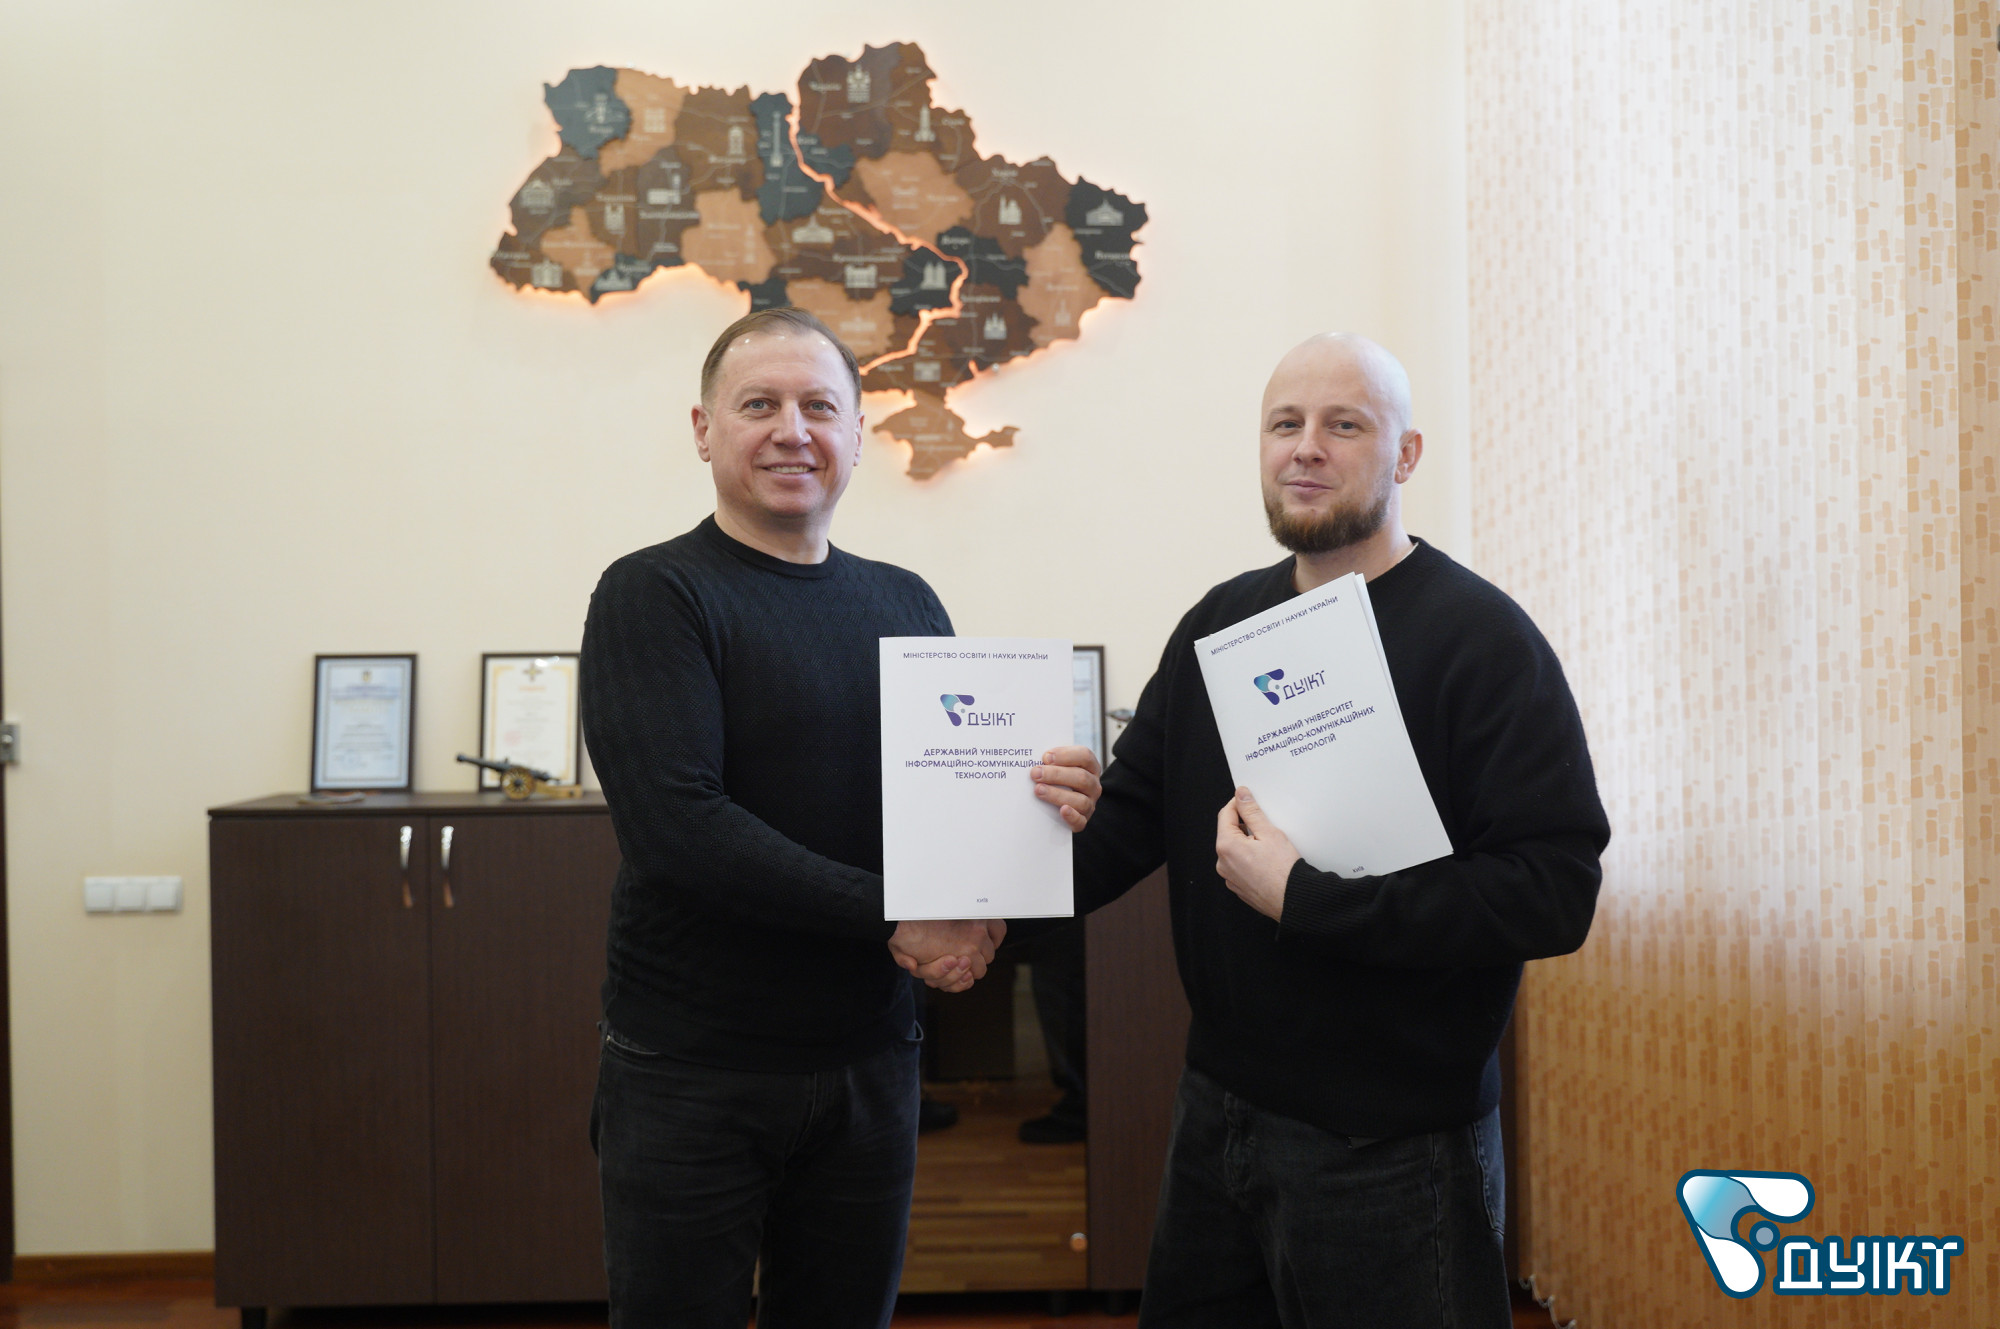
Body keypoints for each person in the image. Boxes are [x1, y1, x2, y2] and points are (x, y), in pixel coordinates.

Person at [1069, 333, 1610, 1327]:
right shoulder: (1217, 626)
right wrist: (980, 885)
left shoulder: (1483, 641)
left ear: (1405, 455)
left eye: (1344, 424)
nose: (1306, 447)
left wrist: (1304, 900)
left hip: (1395, 1144)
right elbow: (1123, 827)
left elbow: (1551, 891)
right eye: (1285, 423)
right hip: (1216, 1116)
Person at [579, 307, 1101, 1329]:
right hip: (694, 1071)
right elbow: (679, 829)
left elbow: (943, 812)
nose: (792, 430)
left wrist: (1043, 802)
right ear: (703, 429)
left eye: (819, 407)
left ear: (858, 433)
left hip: (869, 1059)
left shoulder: (906, 604)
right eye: (759, 405)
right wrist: (899, 915)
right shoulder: (654, 594)